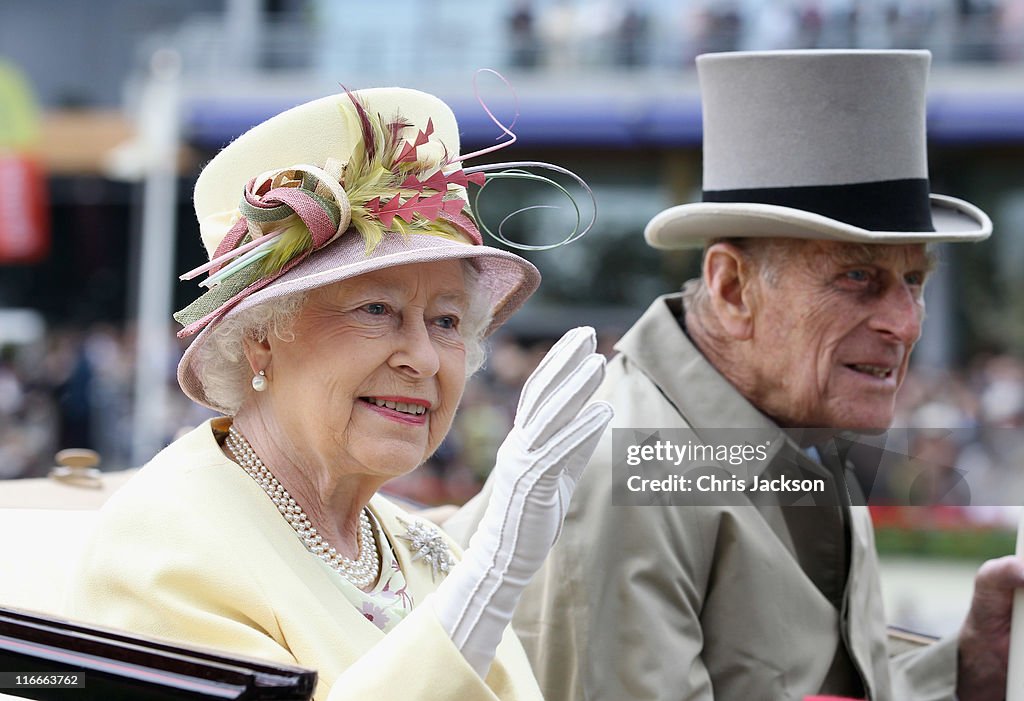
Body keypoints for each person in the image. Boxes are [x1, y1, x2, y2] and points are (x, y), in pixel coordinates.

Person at [446, 50, 1024, 700]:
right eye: (858, 276)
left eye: (913, 280)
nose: (905, 322)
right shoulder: (630, 469)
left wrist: (972, 667)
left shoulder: (778, 420)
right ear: (730, 286)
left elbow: (819, 676)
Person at [65, 85, 613, 701]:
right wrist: (490, 576)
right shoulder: (162, 550)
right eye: (376, 309)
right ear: (262, 339)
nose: (424, 358)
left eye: (447, 321)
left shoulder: (414, 545)